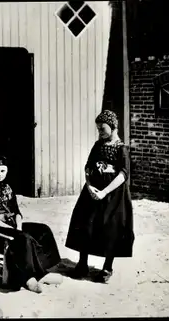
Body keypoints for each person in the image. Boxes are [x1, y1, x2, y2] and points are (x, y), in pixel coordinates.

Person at [65, 110, 134, 283]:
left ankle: (107, 267)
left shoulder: (121, 148)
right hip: (92, 193)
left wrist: (104, 192)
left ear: (113, 127)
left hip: (114, 195)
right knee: (85, 224)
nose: (100, 132)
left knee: (111, 228)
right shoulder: (97, 145)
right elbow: (87, 167)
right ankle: (82, 264)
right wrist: (89, 186)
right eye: (98, 129)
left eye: (102, 128)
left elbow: (123, 174)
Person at [0, 156, 62, 293]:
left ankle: (42, 271)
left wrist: (18, 225)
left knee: (43, 230)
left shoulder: (9, 187)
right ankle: (28, 278)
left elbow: (16, 211)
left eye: (2, 171)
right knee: (24, 238)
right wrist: (13, 230)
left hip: (12, 224)